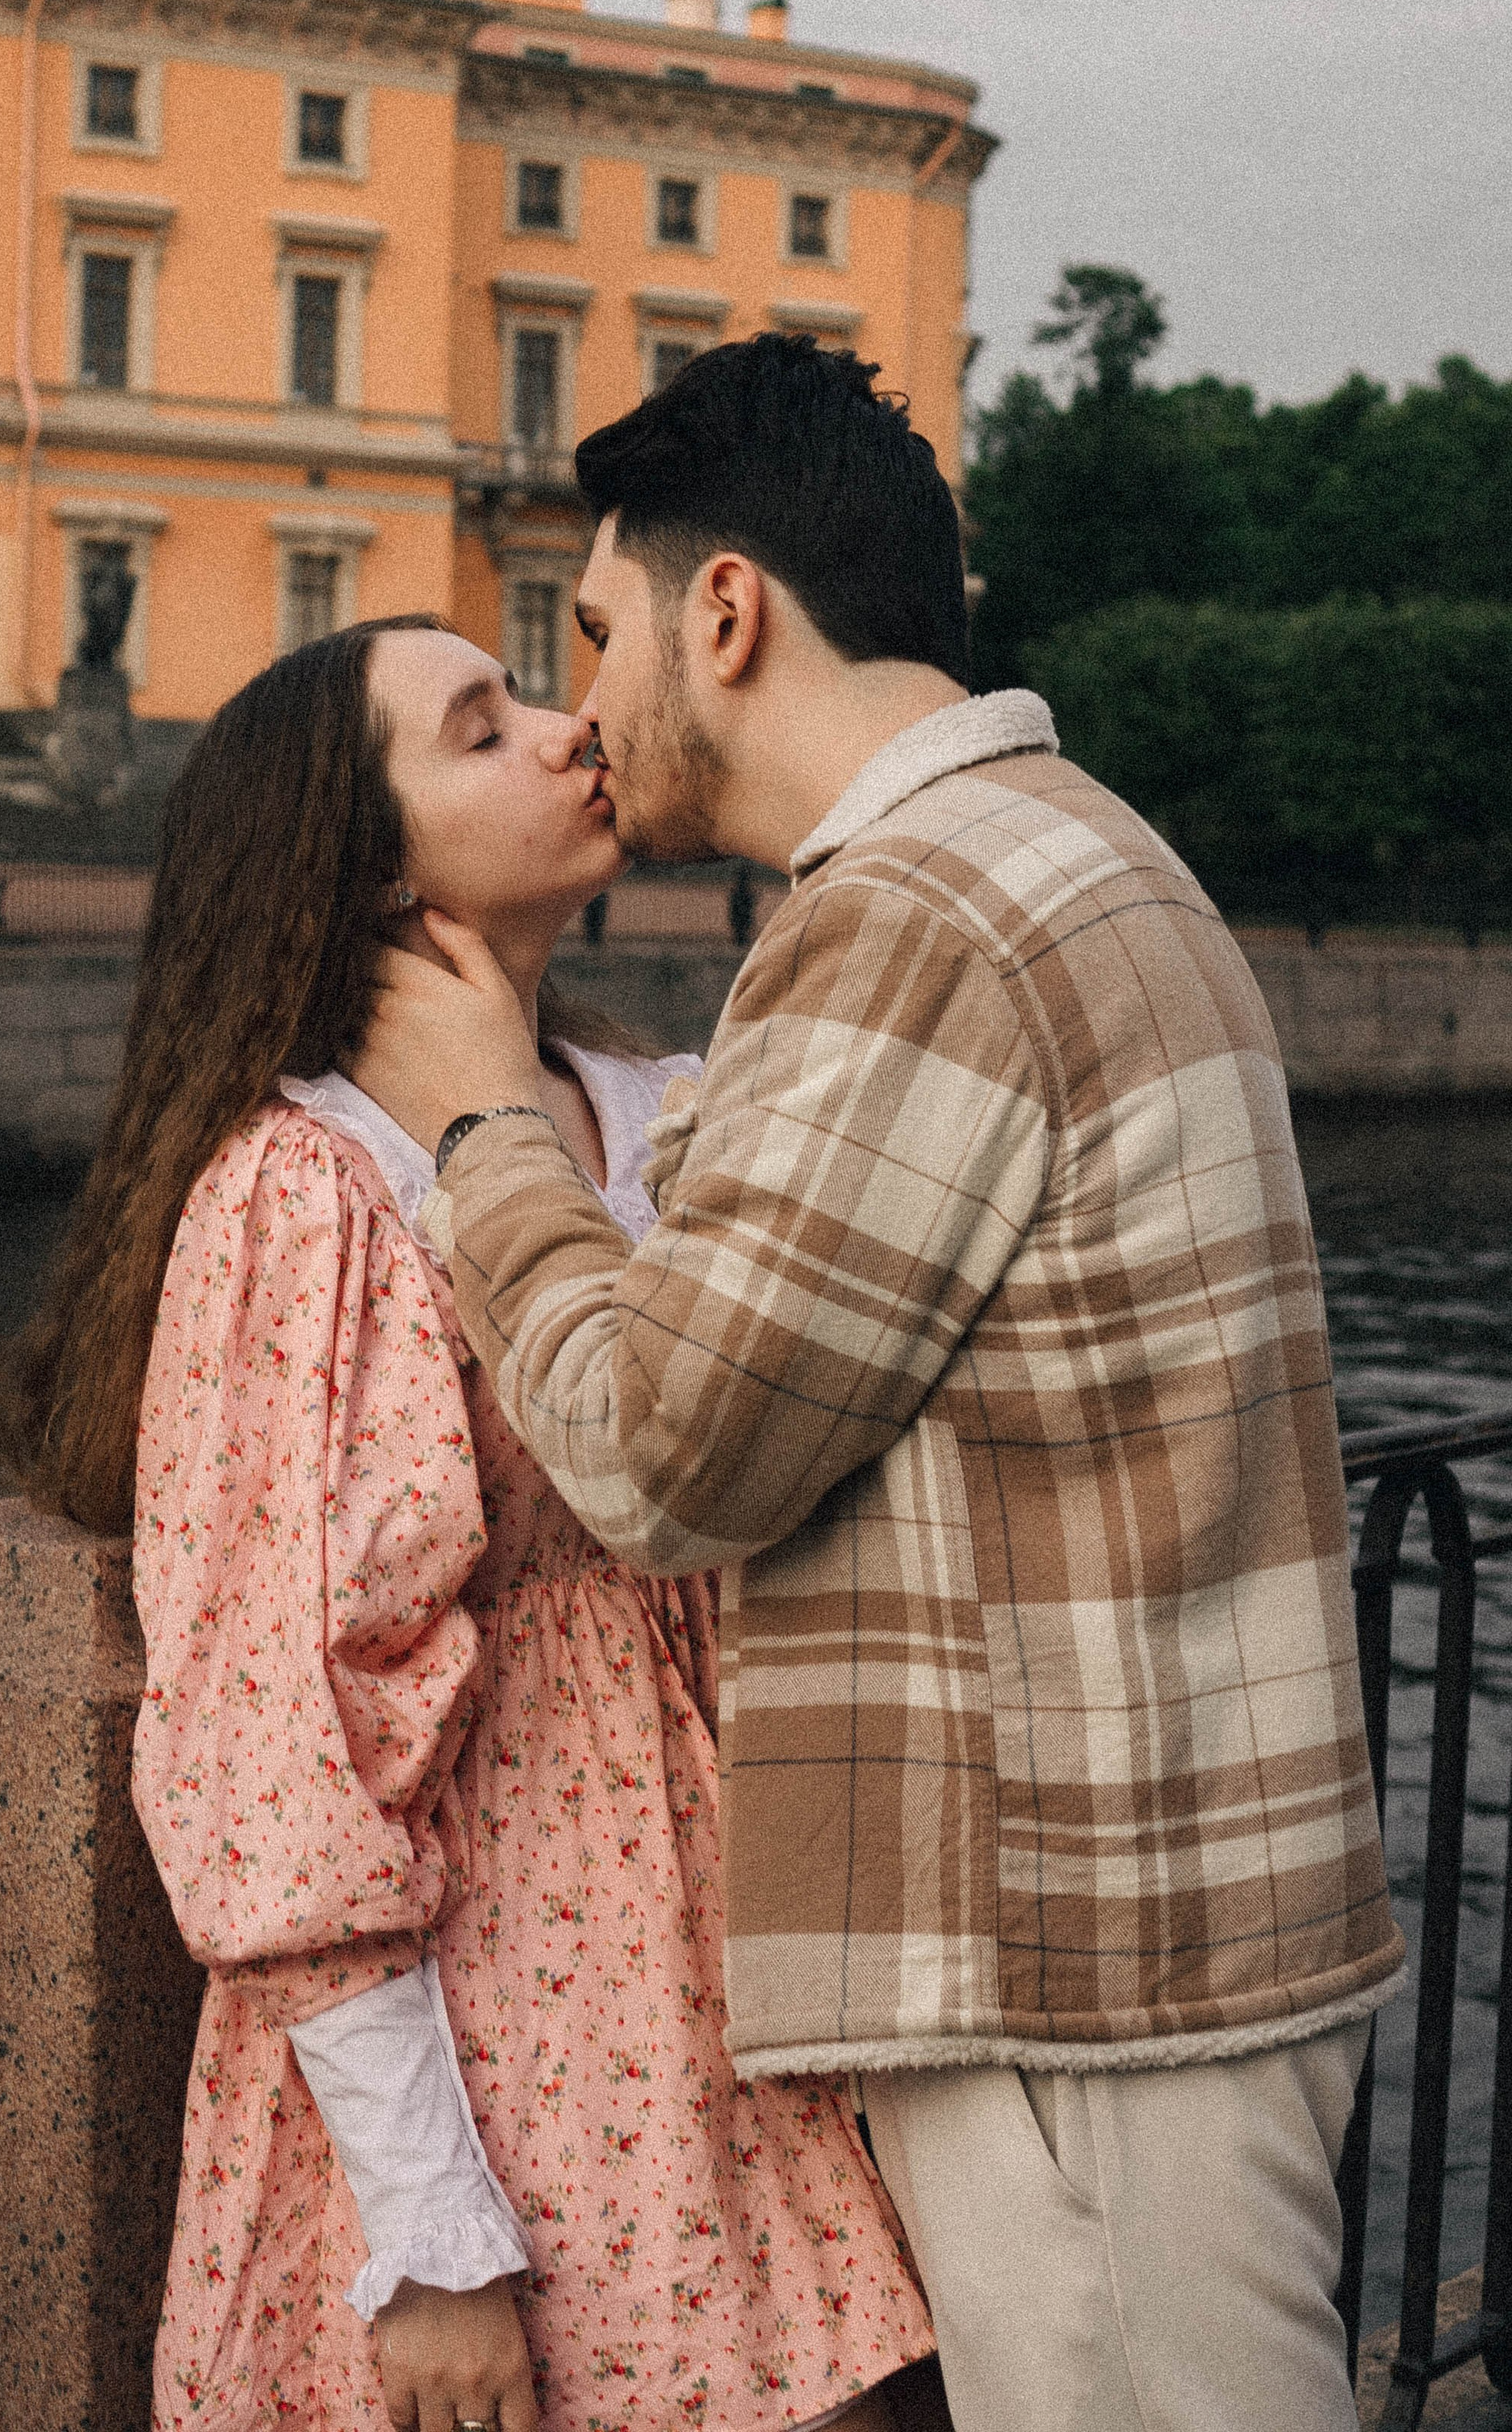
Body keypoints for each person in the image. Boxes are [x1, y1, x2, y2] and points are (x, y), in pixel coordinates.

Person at [350, 337, 1405, 2432]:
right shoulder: (1080, 847)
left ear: (722, 611)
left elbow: (664, 1451)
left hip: (1083, 1978)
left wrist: (487, 1131)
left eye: (592, 630)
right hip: (1176, 1938)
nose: (582, 703)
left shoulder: (912, 915)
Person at [7, 611, 940, 2432]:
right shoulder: (306, 1193)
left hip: (756, 1994)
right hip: (500, 2037)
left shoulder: (657, 1110)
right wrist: (430, 2230)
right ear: (366, 879)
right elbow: (275, 1740)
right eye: (479, 727)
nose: (567, 727)